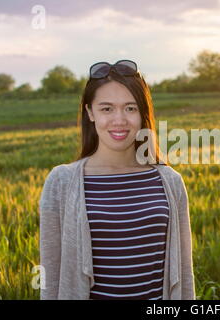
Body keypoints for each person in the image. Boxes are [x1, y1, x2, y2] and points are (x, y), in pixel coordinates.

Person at [39, 60, 195, 300]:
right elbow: (51, 278)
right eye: (107, 109)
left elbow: (184, 273)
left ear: (143, 114)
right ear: (90, 112)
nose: (119, 120)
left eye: (130, 108)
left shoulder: (170, 181)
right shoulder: (61, 182)